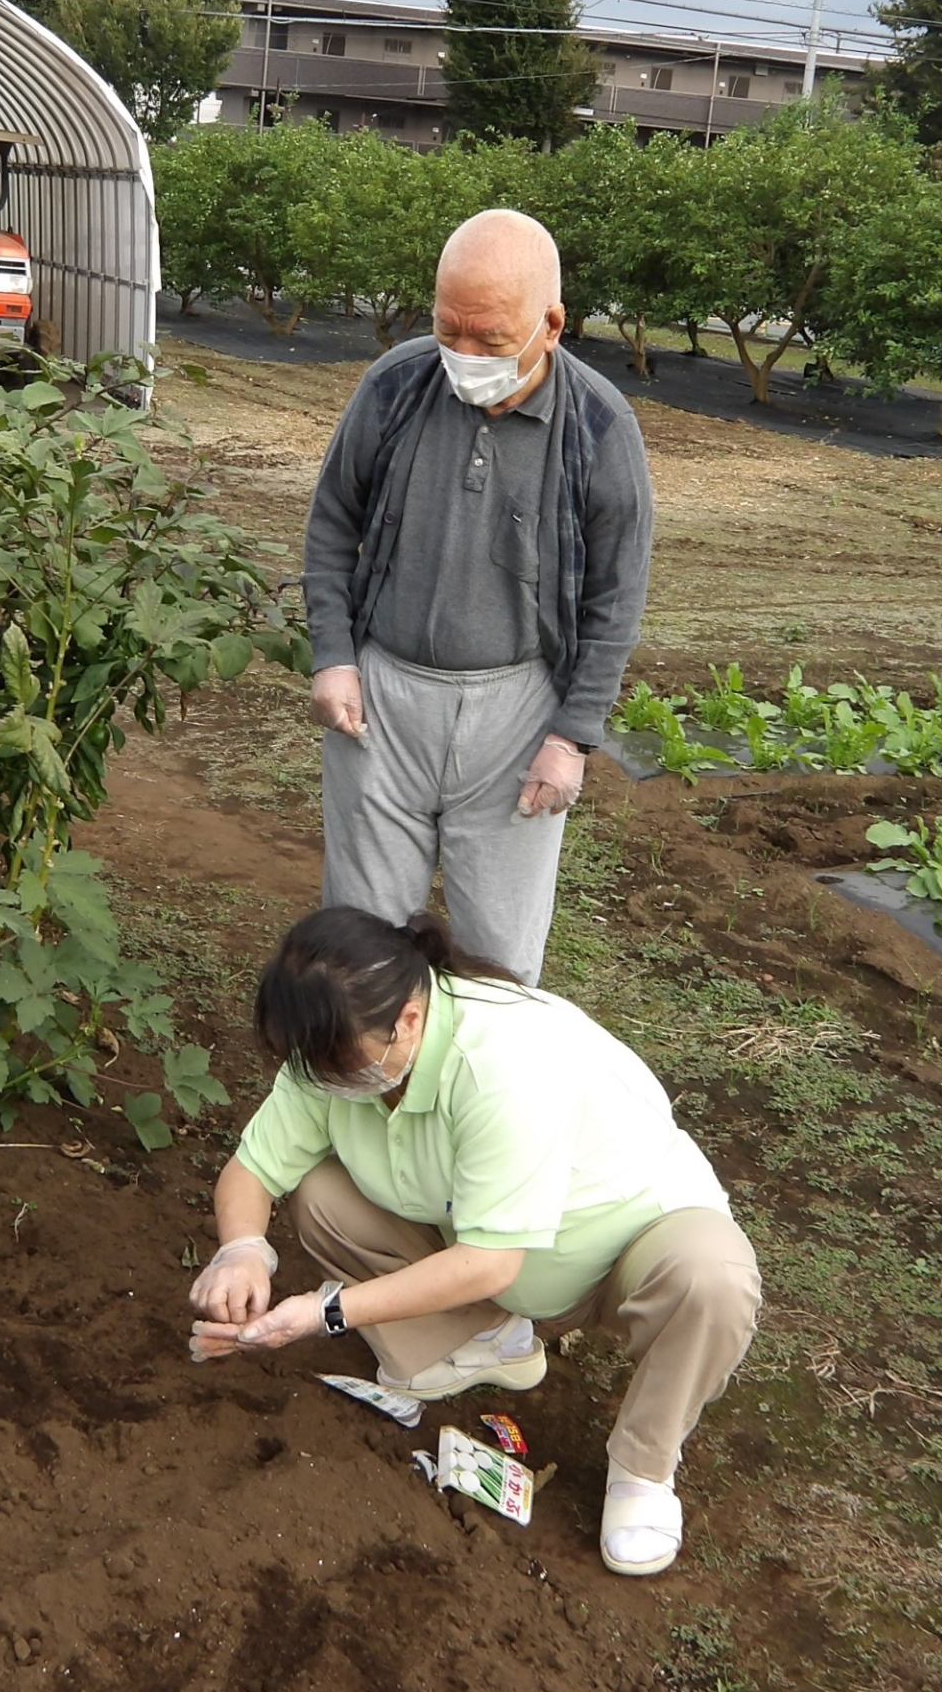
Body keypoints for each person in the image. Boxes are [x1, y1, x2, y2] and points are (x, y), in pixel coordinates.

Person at [188, 908, 760, 1577]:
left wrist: (324, 1312)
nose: (322, 1080)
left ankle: (643, 1468)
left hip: (625, 1241)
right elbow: (253, 1169)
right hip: (486, 1240)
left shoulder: (503, 1059)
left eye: (338, 1063)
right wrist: (243, 1249)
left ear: (407, 1019)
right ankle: (487, 1342)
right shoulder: (335, 1049)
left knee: (713, 1278)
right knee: (321, 1193)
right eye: (308, 1065)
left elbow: (490, 1262)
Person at [304, 207, 653, 986]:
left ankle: (473, 1098)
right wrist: (333, 656)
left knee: (499, 959)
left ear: (551, 324)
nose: (462, 356)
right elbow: (332, 524)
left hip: (517, 715)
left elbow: (615, 594)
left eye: (490, 340)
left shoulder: (599, 426)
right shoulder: (394, 386)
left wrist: (572, 737)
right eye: (447, 329)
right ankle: (358, 1091)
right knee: (358, 947)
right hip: (382, 704)